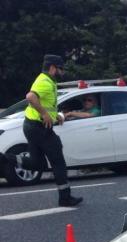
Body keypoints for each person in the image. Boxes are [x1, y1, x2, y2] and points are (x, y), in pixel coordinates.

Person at [20, 54, 82, 206]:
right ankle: (65, 198)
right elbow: (30, 97)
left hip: (31, 126)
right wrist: (45, 114)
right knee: (58, 161)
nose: (62, 72)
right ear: (53, 68)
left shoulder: (46, 80)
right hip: (39, 128)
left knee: (37, 164)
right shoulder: (45, 82)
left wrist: (55, 116)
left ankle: (5, 159)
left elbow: (47, 103)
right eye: (60, 69)